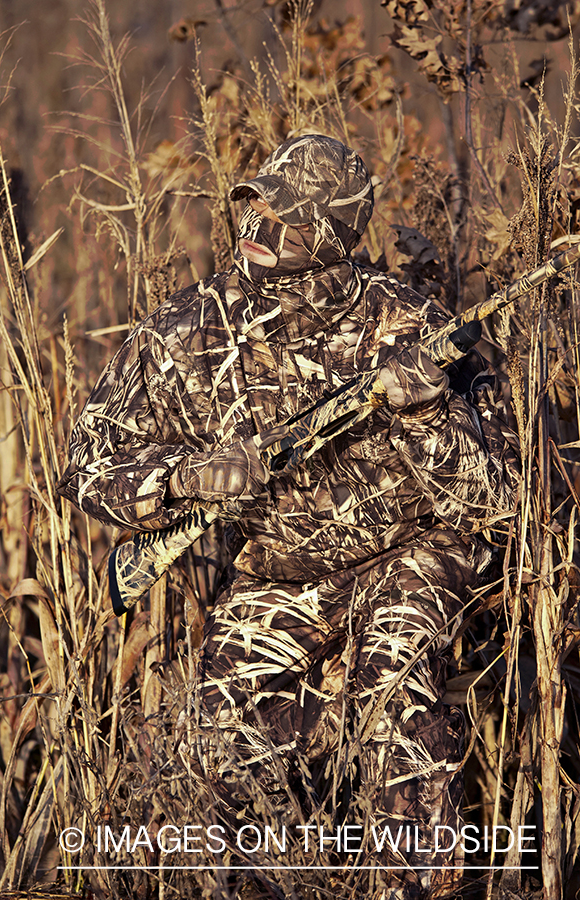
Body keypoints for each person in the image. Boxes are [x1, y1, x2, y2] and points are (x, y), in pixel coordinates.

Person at [57, 134, 519, 899]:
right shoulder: (185, 333)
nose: (257, 226)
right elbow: (85, 462)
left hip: (407, 553)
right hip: (278, 570)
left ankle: (419, 888)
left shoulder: (412, 326)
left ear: (333, 233)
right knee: (217, 734)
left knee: (394, 692)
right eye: (254, 205)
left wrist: (429, 411)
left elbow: (494, 500)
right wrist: (182, 478)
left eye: (286, 215)